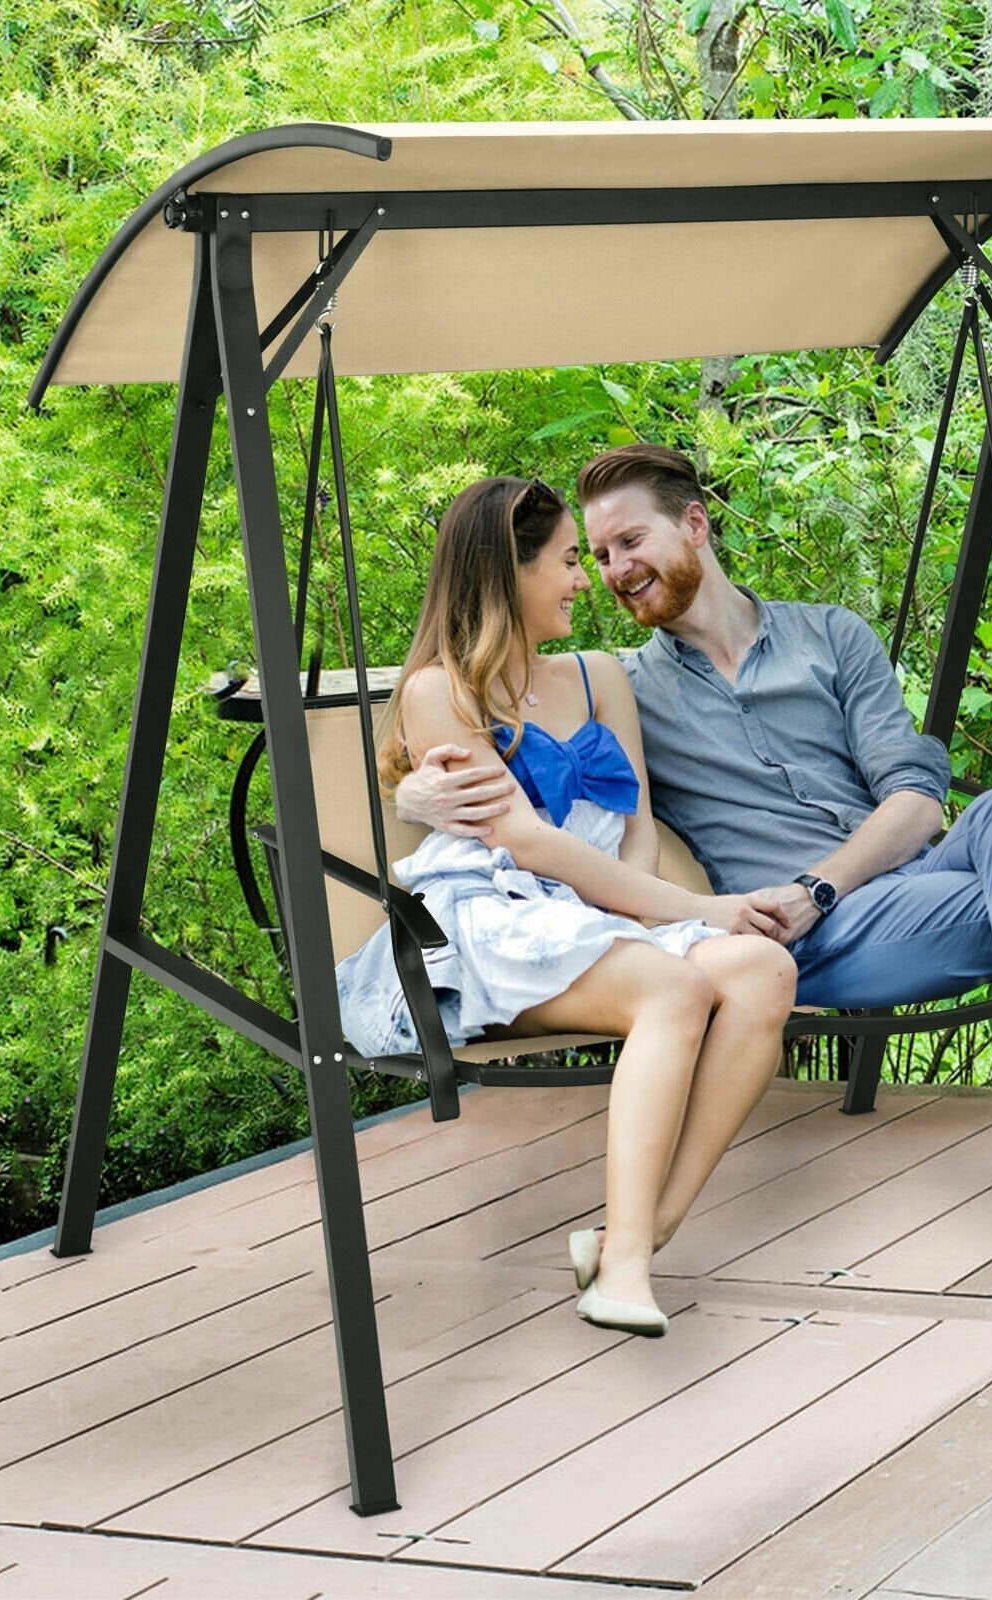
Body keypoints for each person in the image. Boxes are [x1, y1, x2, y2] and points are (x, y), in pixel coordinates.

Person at [396, 447, 992, 1272]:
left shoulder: (831, 636)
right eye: (594, 556)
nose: (612, 572)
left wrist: (825, 883)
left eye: (629, 542)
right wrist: (414, 795)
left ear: (695, 526)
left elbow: (917, 800)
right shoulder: (627, 687)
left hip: (894, 890)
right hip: (800, 935)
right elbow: (498, 722)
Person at [335, 475, 798, 1337]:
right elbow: (528, 843)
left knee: (765, 969)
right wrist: (711, 908)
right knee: (673, 989)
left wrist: (651, 919)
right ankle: (623, 1268)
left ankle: (641, 1235)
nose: (587, 579)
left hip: (597, 911)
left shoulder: (599, 676)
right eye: (566, 561)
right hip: (494, 915)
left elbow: (638, 832)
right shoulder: (439, 692)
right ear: (505, 576)